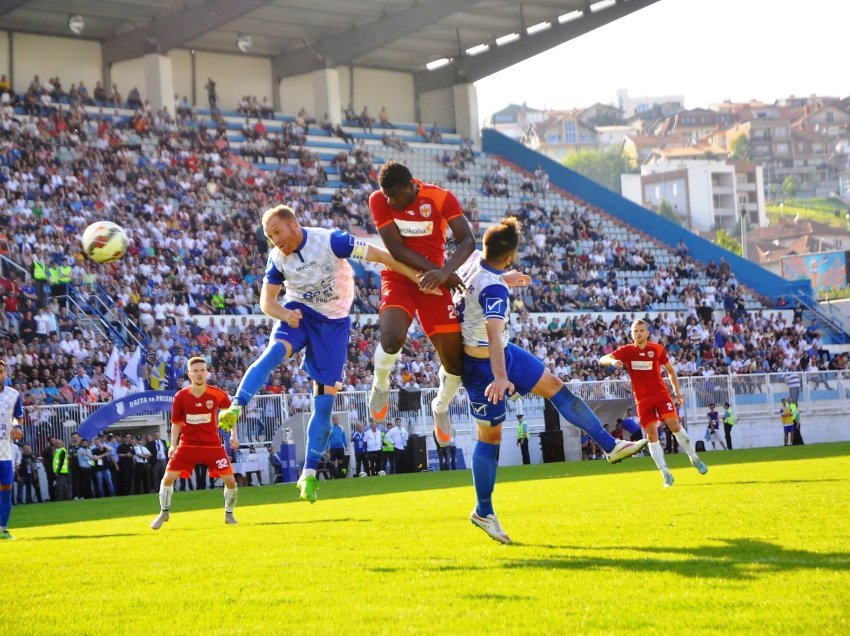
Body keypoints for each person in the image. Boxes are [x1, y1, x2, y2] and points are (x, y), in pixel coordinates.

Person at [218, 204, 435, 503]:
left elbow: (382, 256)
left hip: (333, 326)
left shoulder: (332, 241)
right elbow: (266, 303)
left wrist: (416, 277)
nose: (274, 240)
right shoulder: (277, 258)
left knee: (323, 404)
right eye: (269, 236)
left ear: (293, 224)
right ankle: (236, 406)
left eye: (277, 232)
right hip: (299, 314)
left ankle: (308, 475)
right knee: (274, 353)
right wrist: (283, 312)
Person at [458, 218, 647, 543]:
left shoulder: (473, 259)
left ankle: (610, 445)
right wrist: (501, 377)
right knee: (489, 440)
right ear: (508, 257)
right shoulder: (496, 291)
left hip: (502, 351)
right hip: (483, 366)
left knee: (556, 386)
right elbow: (492, 330)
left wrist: (504, 276)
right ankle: (483, 511)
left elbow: (483, 290)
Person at [367, 161, 476, 448]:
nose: (389, 202)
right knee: (391, 338)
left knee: (454, 364)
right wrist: (440, 272)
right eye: (386, 197)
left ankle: (440, 407)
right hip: (400, 276)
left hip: (435, 283)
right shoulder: (378, 199)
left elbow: (468, 240)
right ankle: (381, 384)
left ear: (410, 187)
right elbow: (396, 249)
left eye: (394, 197)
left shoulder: (440, 197)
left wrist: (444, 272)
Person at [600, 319, 708, 488]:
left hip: (660, 395)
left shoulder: (656, 349)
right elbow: (603, 358)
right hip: (642, 400)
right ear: (631, 334)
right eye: (635, 331)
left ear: (647, 333)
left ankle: (694, 458)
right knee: (651, 437)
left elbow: (671, 371)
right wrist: (613, 361)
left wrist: (677, 392)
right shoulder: (627, 351)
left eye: (641, 330)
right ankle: (666, 474)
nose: (638, 333)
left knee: (674, 426)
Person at [150, 357, 240, 530]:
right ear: (190, 374)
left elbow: (231, 414)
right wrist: (174, 445)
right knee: (168, 478)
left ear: (207, 373)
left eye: (202, 370)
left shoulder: (216, 394)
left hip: (212, 445)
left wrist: (233, 435)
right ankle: (164, 512)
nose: (199, 374)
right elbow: (176, 423)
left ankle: (229, 514)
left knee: (230, 481)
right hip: (187, 445)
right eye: (196, 371)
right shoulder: (181, 396)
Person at [0, 359, 24, 539]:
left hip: (5, 451)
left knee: (7, 487)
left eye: (1, 371)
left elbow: (17, 417)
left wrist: (17, 427)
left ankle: (2, 528)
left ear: (5, 374)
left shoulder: (13, 394)